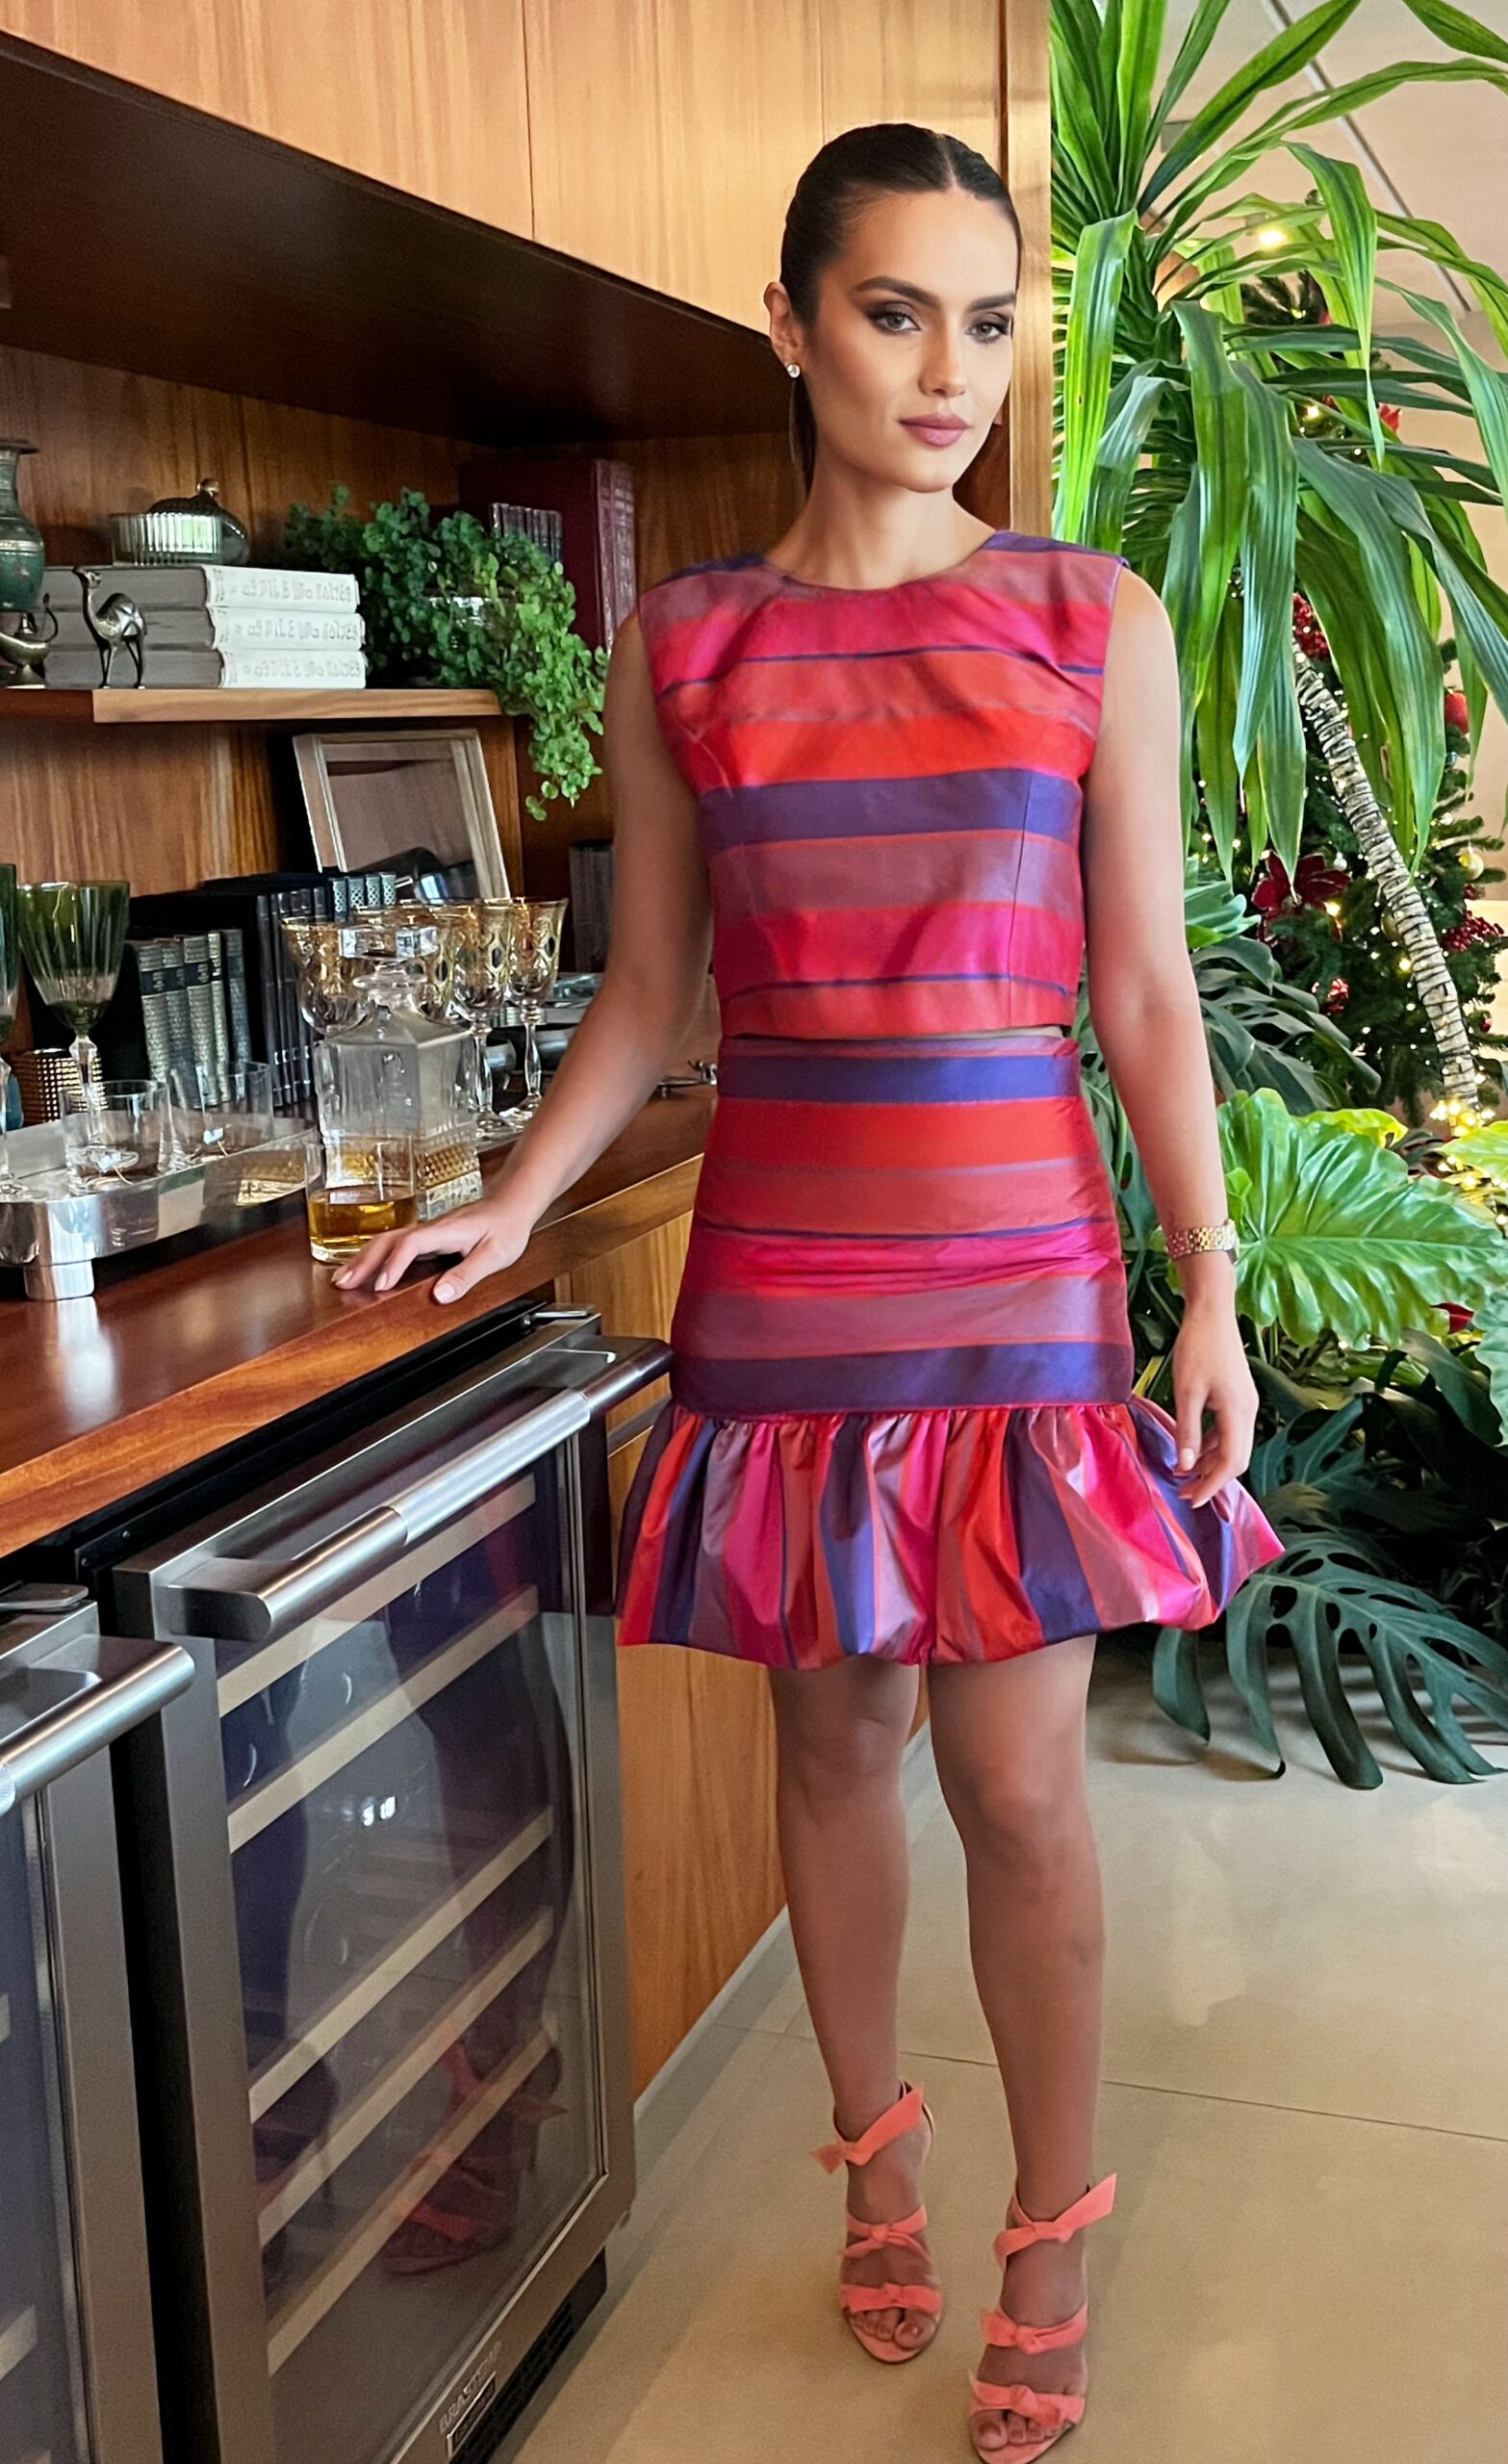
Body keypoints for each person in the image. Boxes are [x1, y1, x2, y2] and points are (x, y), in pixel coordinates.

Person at [334, 120, 1285, 2461]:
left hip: (1025, 1267)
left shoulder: (1091, 618)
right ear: (788, 324)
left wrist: (1207, 1286)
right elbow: (650, 988)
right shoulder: (690, 641)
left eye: (990, 321)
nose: (950, 370)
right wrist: (512, 1198)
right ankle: (874, 2155)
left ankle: (1051, 2222)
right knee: (834, 1739)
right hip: (783, 1264)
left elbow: (1142, 991)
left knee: (1019, 1780)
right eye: (892, 313)